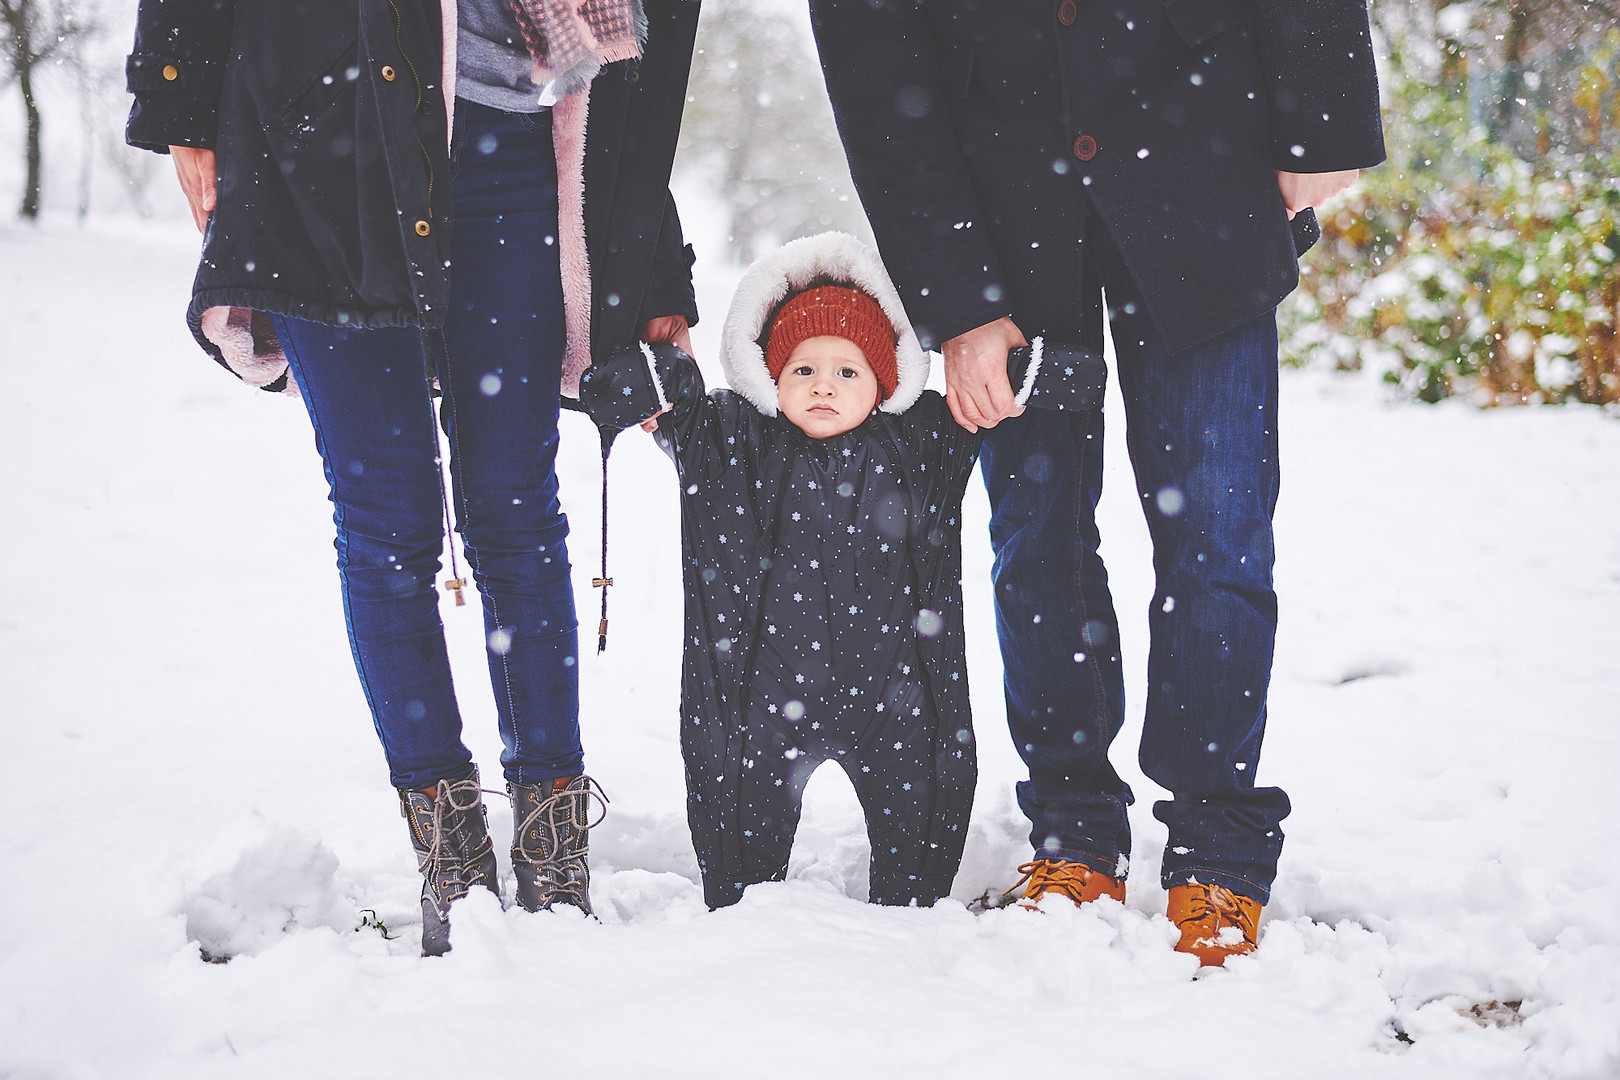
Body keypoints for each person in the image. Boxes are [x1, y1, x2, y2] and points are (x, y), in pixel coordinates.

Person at [809, 0, 1385, 963]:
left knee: (1220, 527)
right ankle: (1073, 834)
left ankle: (1217, 845)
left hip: (1206, 146)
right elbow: (874, 60)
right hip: (995, 201)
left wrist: (1321, 126)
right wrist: (957, 296)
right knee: (1036, 534)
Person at [125, 0, 700, 956]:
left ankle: (553, 849)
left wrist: (657, 263)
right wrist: (181, 103)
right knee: (386, 520)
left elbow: (631, 69)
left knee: (516, 508)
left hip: (516, 134)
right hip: (318, 119)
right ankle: (453, 860)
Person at [579, 232, 1101, 909]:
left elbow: (1064, 384)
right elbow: (611, 394)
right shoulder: (727, 441)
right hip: (751, 709)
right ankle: (740, 907)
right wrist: (656, 379)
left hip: (903, 704)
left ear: (885, 380)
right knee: (738, 891)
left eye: (847, 371)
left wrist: (1024, 369)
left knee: (917, 885)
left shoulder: (924, 440)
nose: (823, 383)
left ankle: (911, 907)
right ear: (768, 373)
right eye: (802, 369)